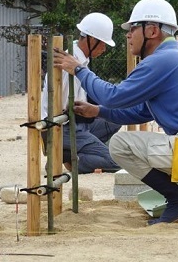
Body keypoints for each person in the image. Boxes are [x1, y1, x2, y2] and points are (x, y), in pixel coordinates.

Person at [53, 0, 178, 224]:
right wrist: (97, 111)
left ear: (151, 30)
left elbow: (114, 96)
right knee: (153, 142)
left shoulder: (160, 60)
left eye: (132, 29)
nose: (128, 35)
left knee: (120, 145)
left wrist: (79, 70)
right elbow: (140, 112)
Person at [41, 12, 121, 174]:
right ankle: (74, 159)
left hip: (79, 123)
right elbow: (60, 106)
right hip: (62, 127)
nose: (104, 49)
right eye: (102, 44)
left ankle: (80, 150)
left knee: (116, 118)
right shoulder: (69, 62)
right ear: (92, 39)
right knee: (114, 162)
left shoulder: (81, 59)